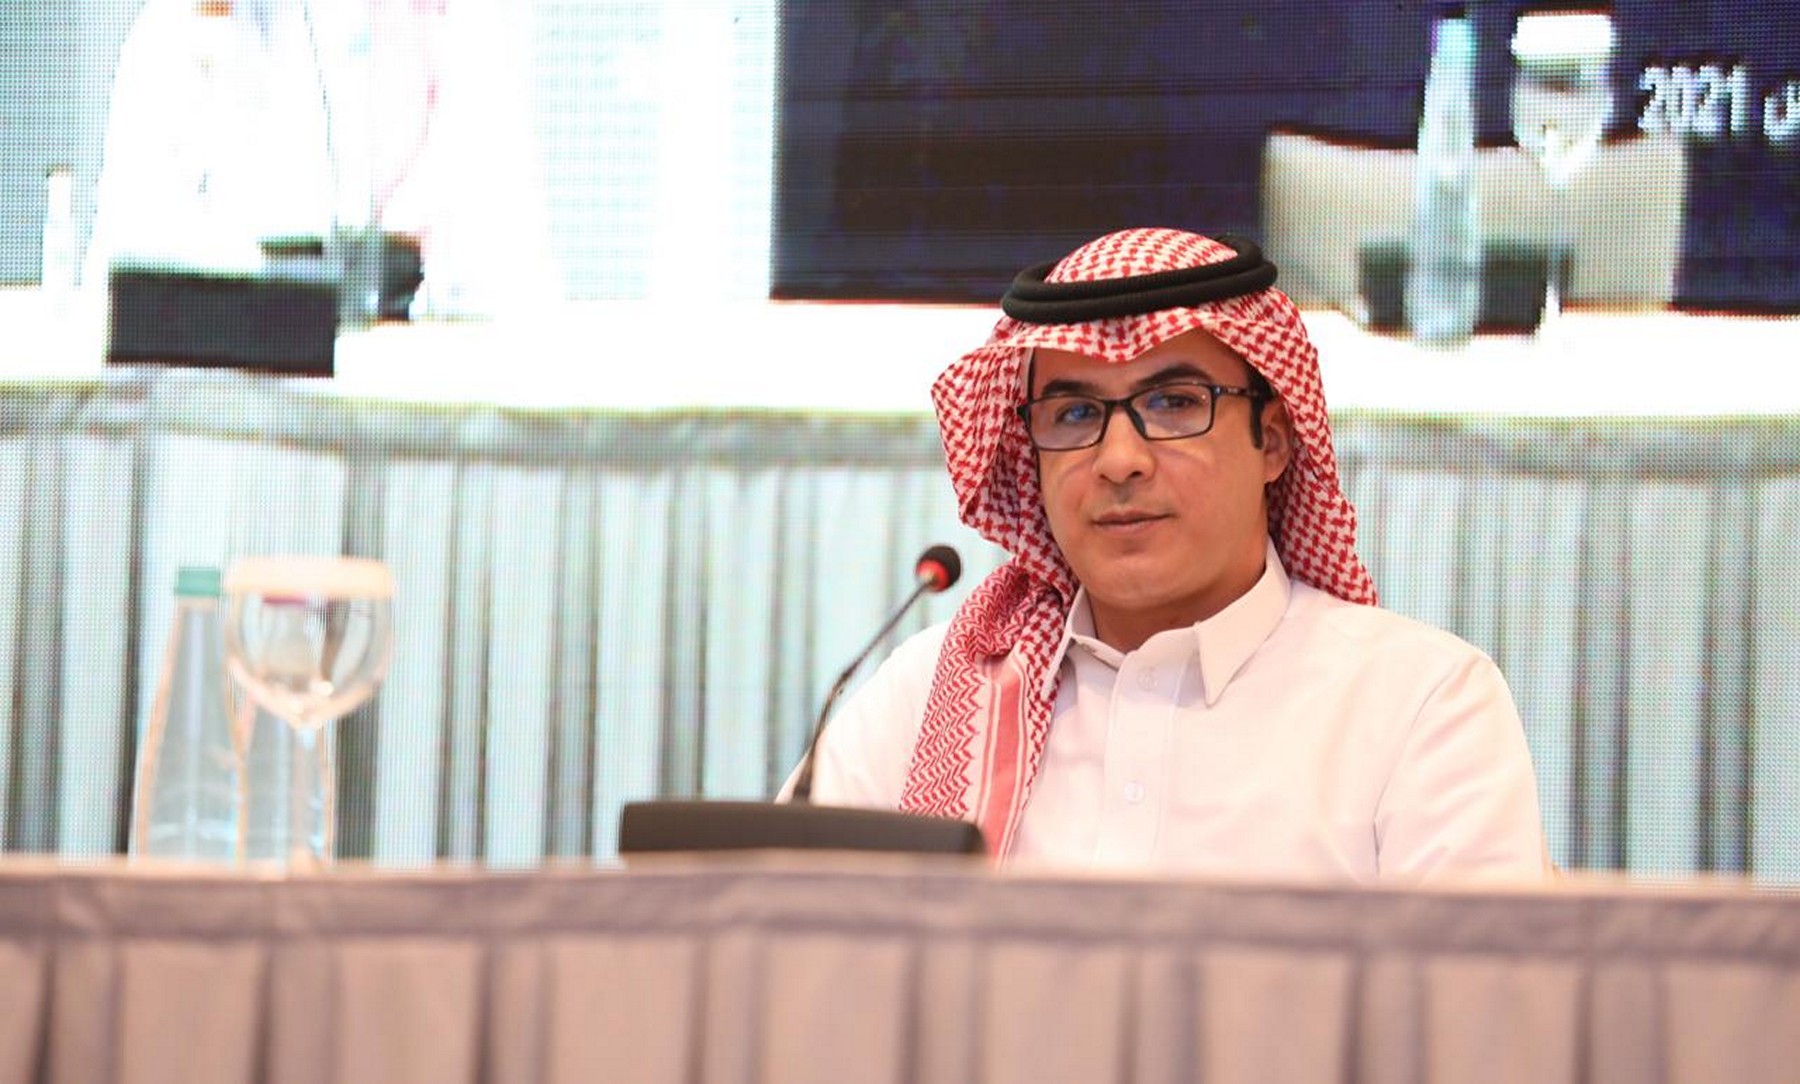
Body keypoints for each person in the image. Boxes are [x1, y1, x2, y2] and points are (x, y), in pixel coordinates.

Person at [797, 227, 1548, 882]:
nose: (1119, 460)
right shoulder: (931, 696)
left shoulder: (1420, 705)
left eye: (1173, 404)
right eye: (1075, 413)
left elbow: (1481, 996)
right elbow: (781, 949)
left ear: (1273, 442)